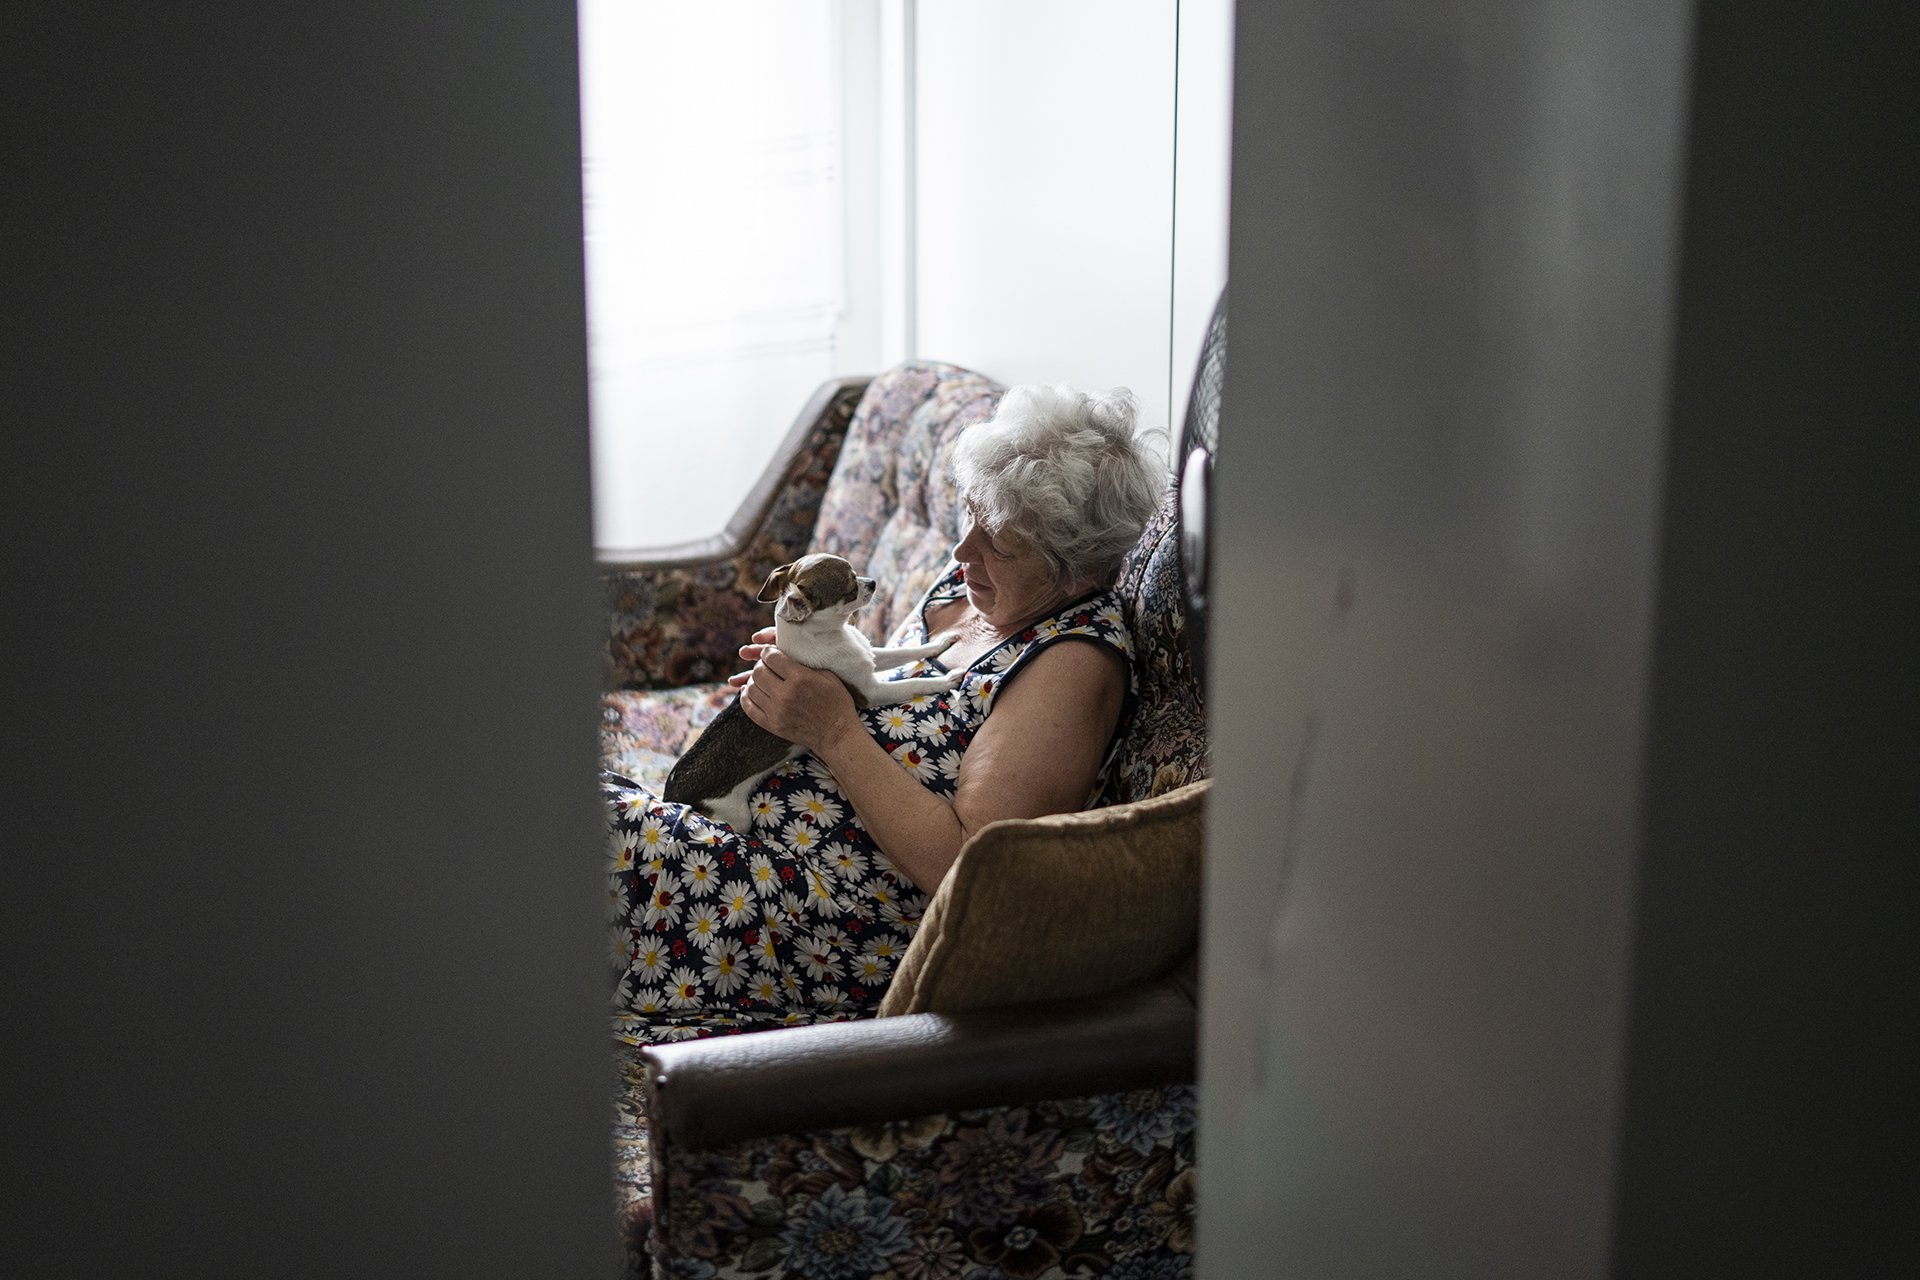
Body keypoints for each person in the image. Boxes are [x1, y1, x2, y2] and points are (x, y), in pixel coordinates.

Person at [604, 383, 1165, 1043]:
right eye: (968, 515)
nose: (963, 554)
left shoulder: (1071, 665)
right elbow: (873, 690)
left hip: (828, 921)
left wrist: (832, 730)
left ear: (1075, 573)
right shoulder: (974, 588)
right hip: (752, 840)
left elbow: (973, 872)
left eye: (1001, 545)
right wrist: (810, 665)